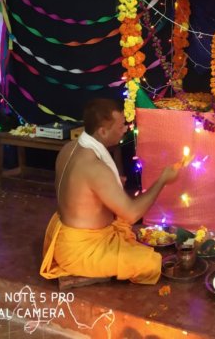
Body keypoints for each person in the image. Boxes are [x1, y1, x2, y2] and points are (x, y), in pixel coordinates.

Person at [40, 98, 189, 285]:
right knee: (150, 263)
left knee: (125, 230)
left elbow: (79, 189)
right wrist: (162, 181)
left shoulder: (69, 148)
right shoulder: (95, 168)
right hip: (81, 249)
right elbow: (132, 214)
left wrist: (110, 184)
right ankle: (88, 269)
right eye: (120, 126)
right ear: (102, 131)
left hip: (68, 233)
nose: (125, 129)